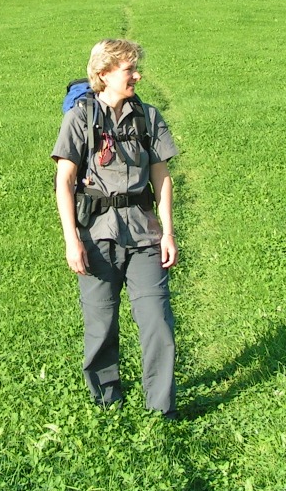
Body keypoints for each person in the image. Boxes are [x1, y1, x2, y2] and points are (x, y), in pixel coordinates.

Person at [51, 38, 180, 417]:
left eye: (136, 68)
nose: (137, 75)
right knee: (101, 325)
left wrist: (169, 231)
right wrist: (72, 240)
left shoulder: (149, 117)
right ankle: (107, 404)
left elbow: (162, 175)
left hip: (144, 236)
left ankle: (162, 409)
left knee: (157, 321)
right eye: (129, 70)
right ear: (103, 74)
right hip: (96, 236)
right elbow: (64, 180)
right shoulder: (80, 118)